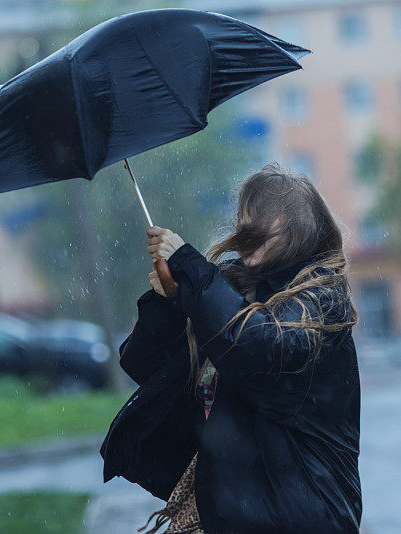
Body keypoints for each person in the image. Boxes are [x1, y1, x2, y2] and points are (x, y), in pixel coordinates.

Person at [100, 163, 362, 533]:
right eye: (244, 217)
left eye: (261, 219)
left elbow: (258, 350)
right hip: (228, 514)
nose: (245, 229)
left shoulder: (320, 301)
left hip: (300, 518)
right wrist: (171, 302)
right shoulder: (232, 292)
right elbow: (146, 366)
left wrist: (191, 267)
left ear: (298, 228)